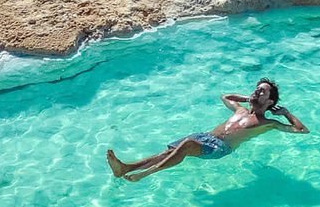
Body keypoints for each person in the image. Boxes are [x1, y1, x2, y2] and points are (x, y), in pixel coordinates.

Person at [106, 78, 307, 182]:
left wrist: (286, 113)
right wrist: (248, 98)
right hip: (205, 137)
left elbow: (301, 130)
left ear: (270, 100)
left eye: (262, 91)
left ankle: (146, 173)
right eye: (256, 88)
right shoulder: (240, 109)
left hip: (220, 148)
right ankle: (126, 168)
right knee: (168, 152)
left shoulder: (266, 122)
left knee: (186, 146)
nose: (257, 90)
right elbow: (225, 96)